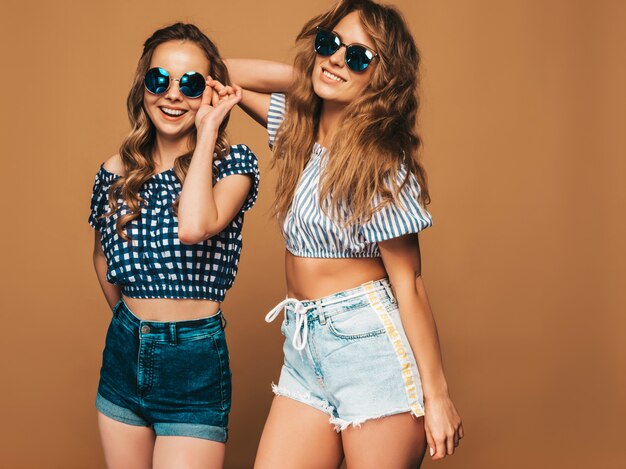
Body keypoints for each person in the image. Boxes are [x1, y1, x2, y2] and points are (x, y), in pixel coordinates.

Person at [224, 0, 463, 467]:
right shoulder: (297, 133)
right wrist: (319, 75)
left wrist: (437, 397)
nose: (336, 59)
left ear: (384, 79)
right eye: (330, 45)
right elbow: (222, 73)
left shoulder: (381, 166)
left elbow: (409, 283)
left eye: (357, 57)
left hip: (369, 350)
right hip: (303, 348)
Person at [88, 23, 259, 469]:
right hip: (124, 352)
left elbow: (194, 227)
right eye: (159, 80)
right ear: (143, 85)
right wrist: (134, 325)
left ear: (210, 92)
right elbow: (103, 260)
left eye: (191, 84)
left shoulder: (233, 165)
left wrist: (206, 133)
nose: (173, 96)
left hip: (194, 360)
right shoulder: (115, 171)